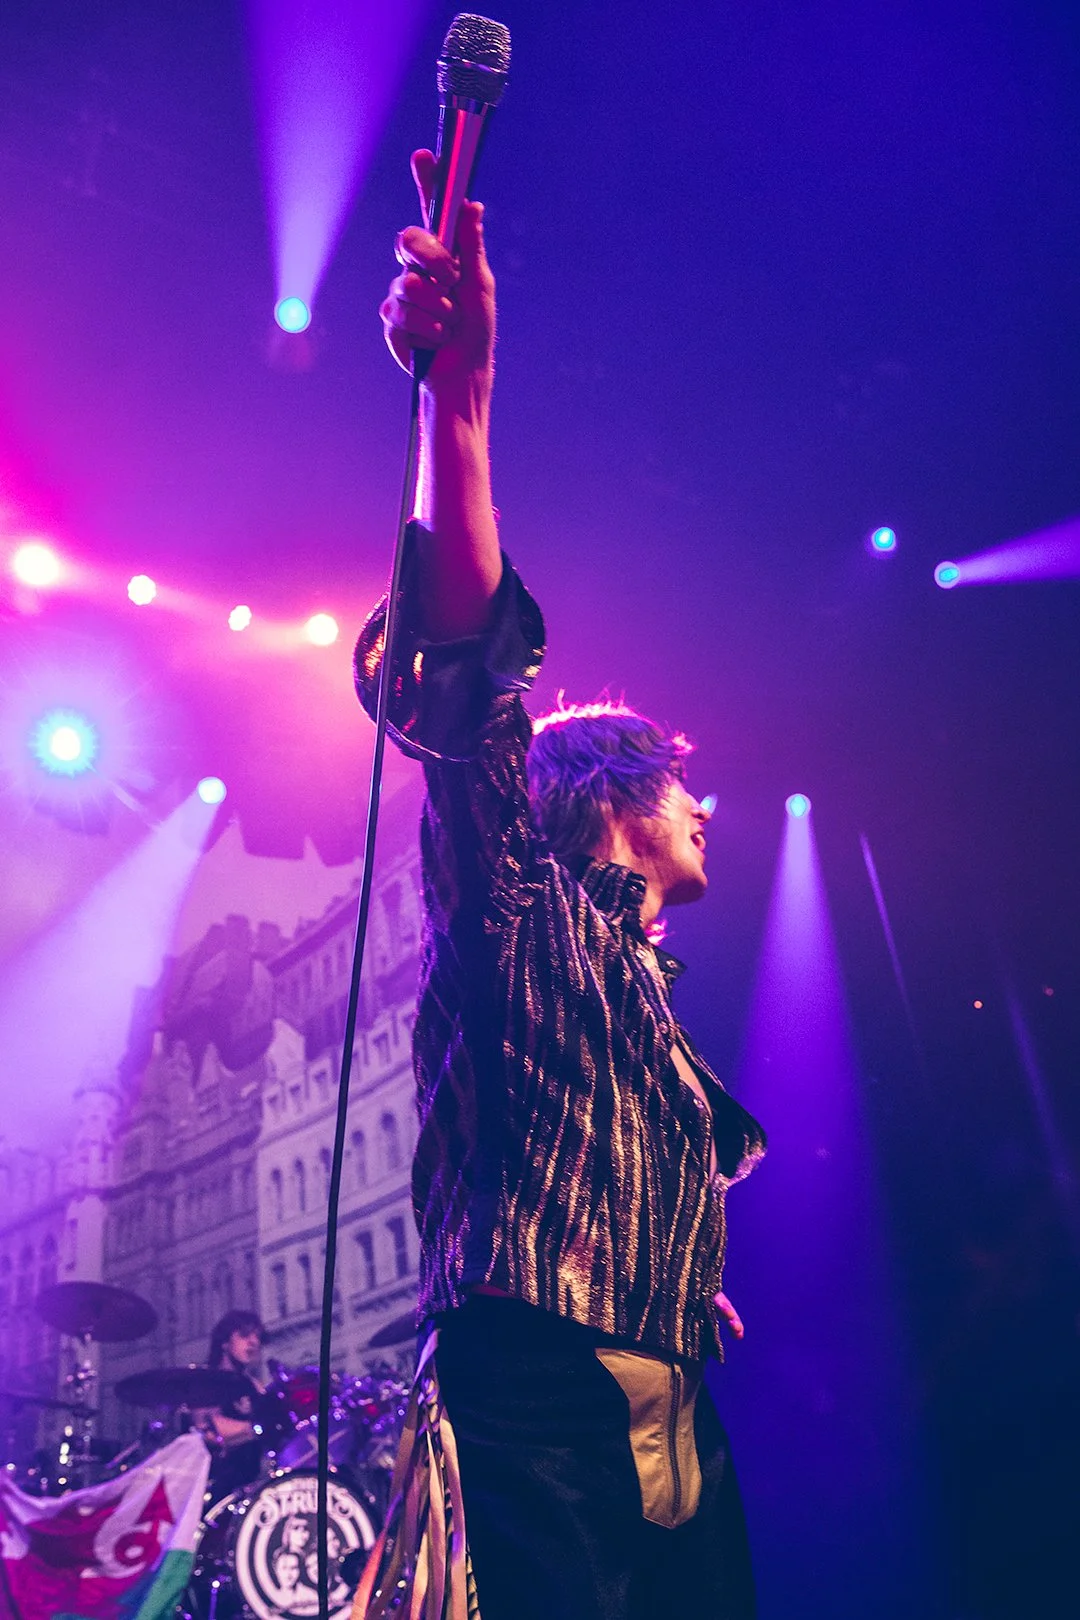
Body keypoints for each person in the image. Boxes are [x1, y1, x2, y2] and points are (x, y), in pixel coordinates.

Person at [351, 151, 767, 1620]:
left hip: (667, 1400)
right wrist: (460, 408)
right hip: (543, 1384)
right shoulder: (523, 910)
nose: (703, 804)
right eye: (680, 784)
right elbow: (461, 678)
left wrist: (672, 1259)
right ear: (610, 804)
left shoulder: (648, 1001)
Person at [197, 1308, 267, 1498]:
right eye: (244, 1335)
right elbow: (209, 1429)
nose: (253, 1341)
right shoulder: (209, 1380)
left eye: (257, 1337)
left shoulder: (254, 1385)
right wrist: (258, 1429)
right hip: (221, 1483)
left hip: (254, 1481)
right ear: (225, 1342)